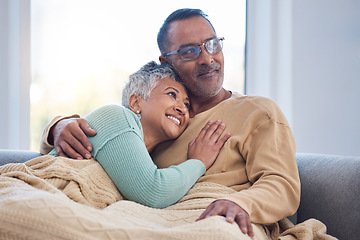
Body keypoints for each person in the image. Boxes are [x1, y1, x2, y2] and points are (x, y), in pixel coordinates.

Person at [39, 9, 301, 239]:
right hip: (147, 217)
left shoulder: (258, 112)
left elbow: (282, 184)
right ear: (167, 61)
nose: (208, 59)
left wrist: (240, 203)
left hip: (217, 215)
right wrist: (59, 126)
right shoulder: (163, 118)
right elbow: (104, 136)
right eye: (190, 51)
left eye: (212, 44)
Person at [39, 61, 230, 209]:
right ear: (136, 102)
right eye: (172, 95)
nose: (182, 108)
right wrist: (199, 163)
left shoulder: (145, 159)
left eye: (187, 105)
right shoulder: (118, 116)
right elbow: (154, 191)